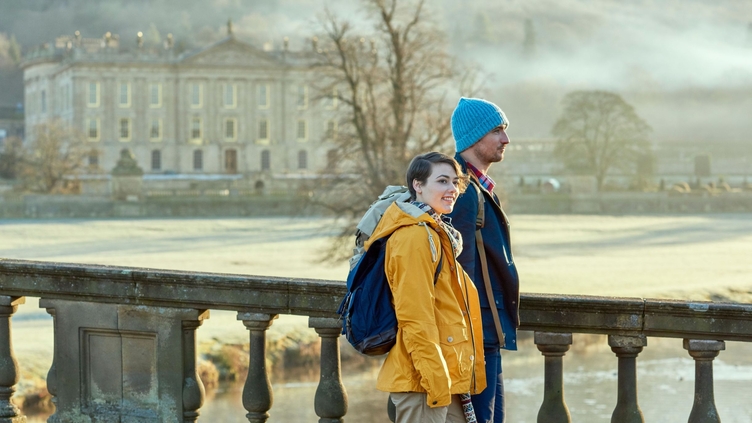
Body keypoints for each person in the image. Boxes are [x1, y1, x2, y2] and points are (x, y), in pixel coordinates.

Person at [373, 152, 486, 423]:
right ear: (418, 185)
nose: (452, 189)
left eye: (455, 182)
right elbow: (415, 318)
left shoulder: (437, 232)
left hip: (441, 375)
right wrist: (436, 382)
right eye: (443, 181)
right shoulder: (414, 237)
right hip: (423, 381)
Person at [446, 98, 520, 423]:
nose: (506, 139)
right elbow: (459, 272)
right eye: (497, 130)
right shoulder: (461, 191)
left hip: (488, 332)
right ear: (474, 137)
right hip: (476, 337)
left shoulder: (474, 186)